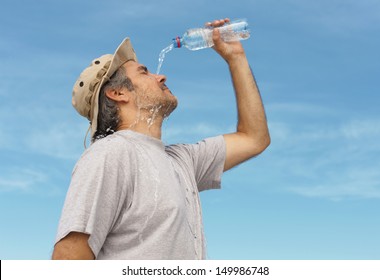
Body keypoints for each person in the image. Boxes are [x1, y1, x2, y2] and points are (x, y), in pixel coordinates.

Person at [52, 18, 270, 260]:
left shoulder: (183, 159)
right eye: (144, 72)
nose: (162, 77)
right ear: (118, 93)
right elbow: (69, 256)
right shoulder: (110, 154)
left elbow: (254, 138)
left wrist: (235, 58)